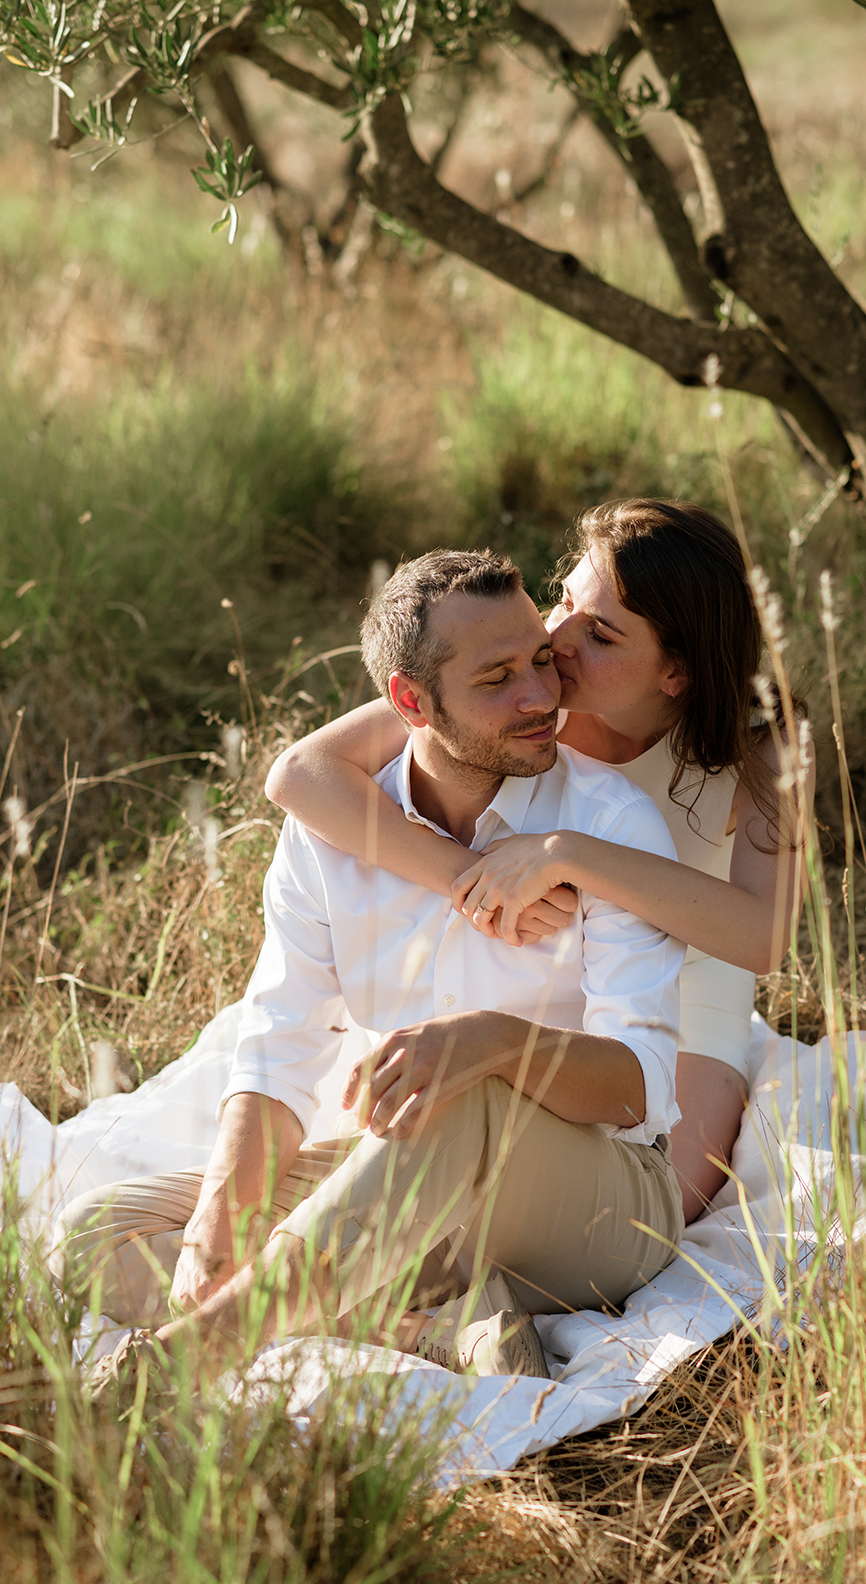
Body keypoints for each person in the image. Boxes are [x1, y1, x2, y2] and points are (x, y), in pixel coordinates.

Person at [53, 549, 688, 1392]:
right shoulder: (333, 834)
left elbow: (637, 1086)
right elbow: (283, 1035)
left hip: (606, 1205)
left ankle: (181, 1362)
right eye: (496, 678)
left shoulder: (609, 824)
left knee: (461, 1095)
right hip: (409, 1172)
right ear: (408, 701)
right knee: (94, 1235)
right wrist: (223, 1210)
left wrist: (492, 1044)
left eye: (540, 660)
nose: (540, 697)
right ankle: (430, 1332)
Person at [266, 500, 810, 1225]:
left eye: (600, 633)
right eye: (564, 601)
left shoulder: (767, 746)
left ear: (674, 671)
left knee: (652, 1211)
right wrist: (466, 879)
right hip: (537, 964)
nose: (555, 637)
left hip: (689, 983)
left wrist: (569, 855)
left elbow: (762, 938)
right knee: (430, 1155)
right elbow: (300, 774)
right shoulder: (528, 701)